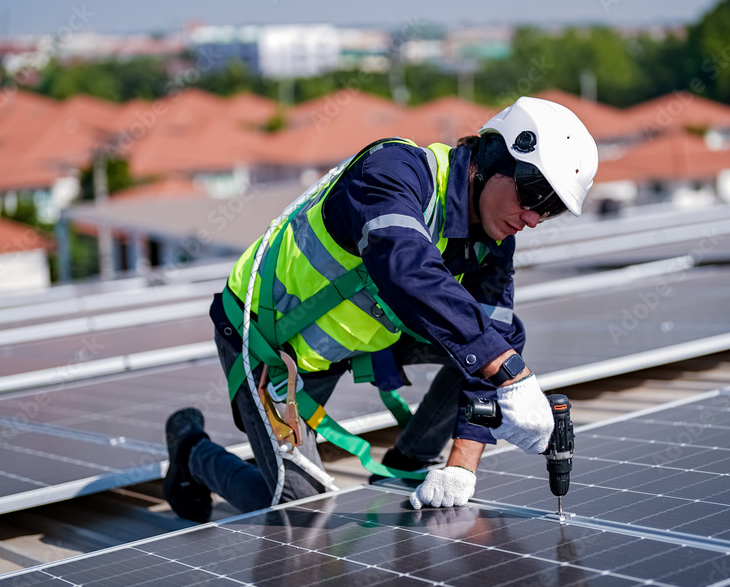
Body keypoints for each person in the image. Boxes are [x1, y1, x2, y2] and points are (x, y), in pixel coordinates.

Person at [163, 96, 598, 521]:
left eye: (550, 209)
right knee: (298, 508)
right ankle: (191, 450)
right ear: (493, 155)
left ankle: (411, 460)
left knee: (497, 340)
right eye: (532, 194)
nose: (534, 218)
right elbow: (403, 264)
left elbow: (494, 340)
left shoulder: (492, 242)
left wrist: (463, 464)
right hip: (267, 340)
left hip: (349, 340)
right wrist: (512, 374)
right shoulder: (394, 170)